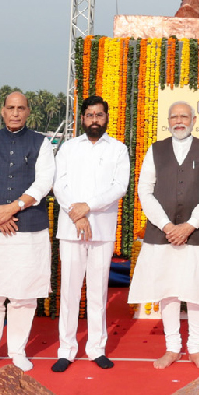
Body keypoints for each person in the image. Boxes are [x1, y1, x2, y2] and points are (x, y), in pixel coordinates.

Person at [0, 91, 55, 374]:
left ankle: (17, 351)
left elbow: (43, 183)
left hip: (26, 229)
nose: (15, 113)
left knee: (23, 295)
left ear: (28, 112)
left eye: (21, 108)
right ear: (2, 111)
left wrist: (12, 208)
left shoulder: (42, 143)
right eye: (10, 108)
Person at [129, 101, 199, 370]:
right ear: (168, 121)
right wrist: (167, 225)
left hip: (197, 233)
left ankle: (195, 348)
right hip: (163, 234)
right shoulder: (156, 150)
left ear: (194, 120)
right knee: (167, 290)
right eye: (174, 116)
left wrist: (190, 225)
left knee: (197, 290)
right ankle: (172, 347)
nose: (179, 120)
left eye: (184, 116)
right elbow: (144, 190)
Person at [50, 95, 130, 372]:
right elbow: (59, 184)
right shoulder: (69, 148)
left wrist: (87, 207)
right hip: (72, 228)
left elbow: (119, 186)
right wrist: (77, 212)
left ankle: (96, 348)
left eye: (99, 115)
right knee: (69, 292)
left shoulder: (118, 149)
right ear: (82, 118)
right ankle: (66, 349)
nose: (94, 120)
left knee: (98, 292)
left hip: (102, 229)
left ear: (107, 118)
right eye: (89, 115)